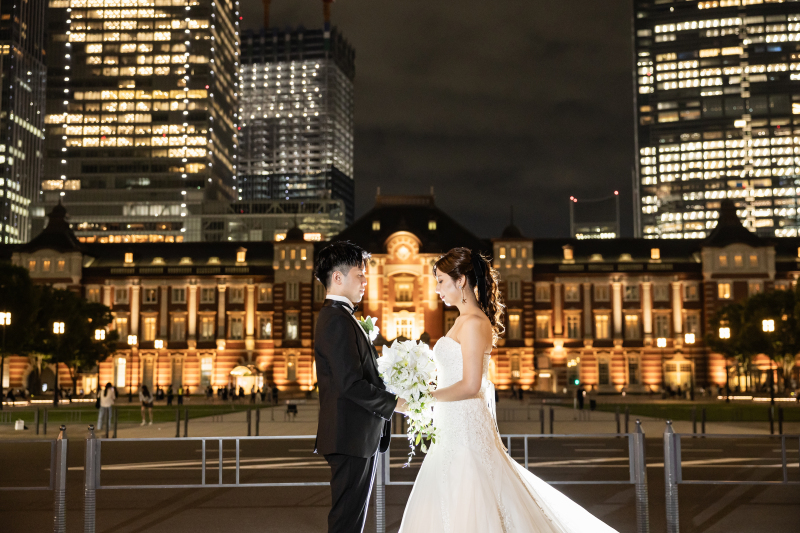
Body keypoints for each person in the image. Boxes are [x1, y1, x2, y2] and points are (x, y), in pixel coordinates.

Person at [398, 248, 618, 533]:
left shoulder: (475, 323)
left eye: (441, 281)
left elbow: (471, 384)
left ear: (461, 280)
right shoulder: (460, 321)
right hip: (450, 428)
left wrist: (419, 400)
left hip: (465, 430)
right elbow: (452, 377)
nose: (437, 288)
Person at [313, 241, 407, 533]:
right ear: (338, 278)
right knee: (346, 523)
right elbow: (350, 384)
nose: (365, 281)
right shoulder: (336, 320)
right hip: (349, 437)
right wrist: (396, 403)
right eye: (360, 274)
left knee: (351, 521)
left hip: (355, 436)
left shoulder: (343, 318)